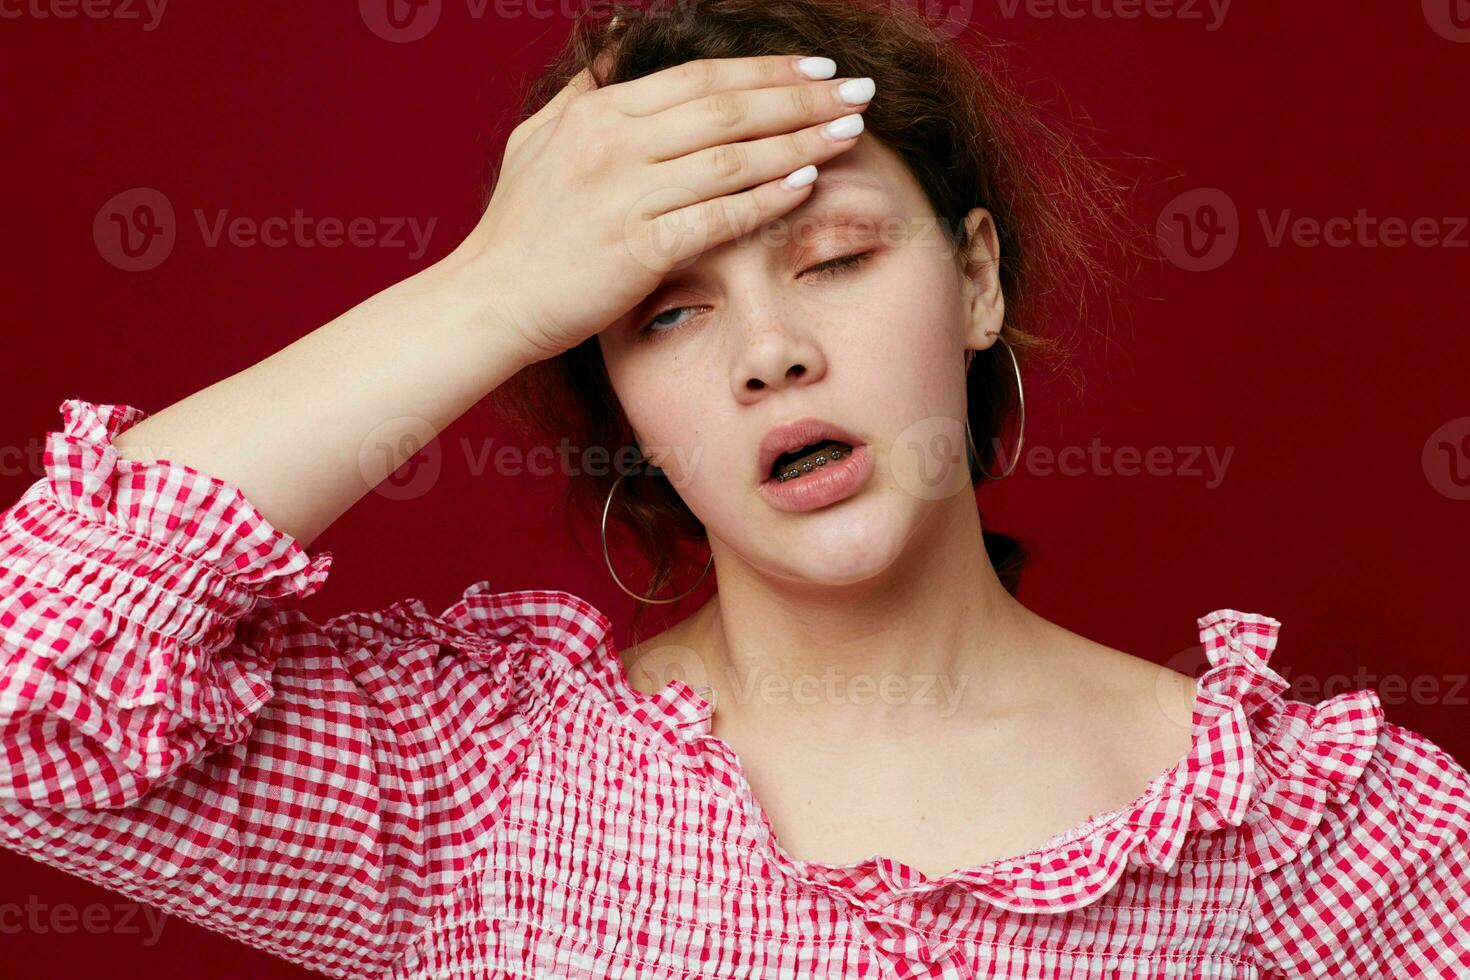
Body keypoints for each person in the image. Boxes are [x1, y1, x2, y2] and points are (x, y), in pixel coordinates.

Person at [3, 1, 1467, 977]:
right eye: (666, 312)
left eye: (833, 259)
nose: (770, 351)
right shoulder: (474, 788)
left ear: (972, 279)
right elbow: (27, 699)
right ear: (619, 398)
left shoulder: (1313, 836)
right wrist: (492, 287)